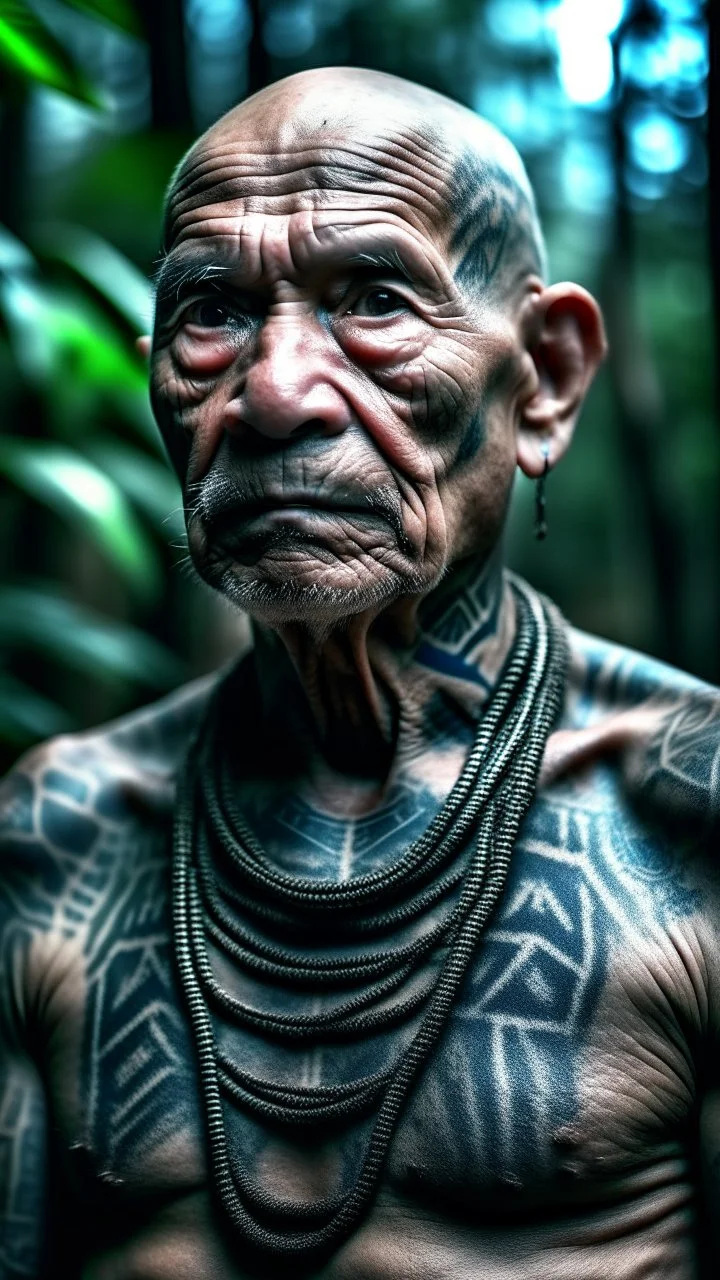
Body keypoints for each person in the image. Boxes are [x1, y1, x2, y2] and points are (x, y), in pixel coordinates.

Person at [1, 65, 719, 1279]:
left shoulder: (689, 819)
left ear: (545, 376)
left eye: (375, 299)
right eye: (212, 312)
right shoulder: (48, 836)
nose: (275, 393)